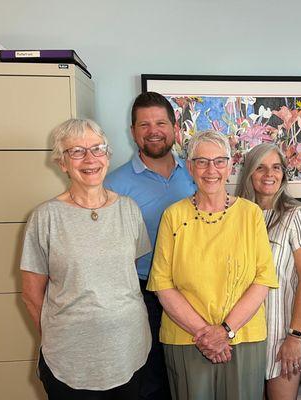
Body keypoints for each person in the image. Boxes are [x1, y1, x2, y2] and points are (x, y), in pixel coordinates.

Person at [20, 118, 152, 399]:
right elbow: (32, 295)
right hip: (69, 361)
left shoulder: (129, 210)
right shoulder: (46, 217)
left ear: (107, 155)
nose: (90, 158)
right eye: (76, 151)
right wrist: (60, 336)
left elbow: (125, 275)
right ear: (62, 163)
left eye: (97, 149)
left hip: (129, 351)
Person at [147, 130, 279, 399]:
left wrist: (225, 331)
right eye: (202, 161)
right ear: (190, 167)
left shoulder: (250, 214)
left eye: (219, 161)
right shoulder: (173, 216)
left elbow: (263, 278)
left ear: (230, 166)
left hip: (243, 337)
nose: (211, 170)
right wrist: (205, 334)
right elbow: (162, 284)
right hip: (186, 338)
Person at [105, 92, 195, 399]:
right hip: (143, 293)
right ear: (132, 132)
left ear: (174, 127)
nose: (152, 130)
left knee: (189, 374)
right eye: (144, 124)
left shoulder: (197, 173)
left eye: (160, 122)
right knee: (151, 379)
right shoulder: (114, 185)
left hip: (194, 291)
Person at [237, 143, 301, 400]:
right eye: (260, 167)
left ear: (284, 173)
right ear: (249, 172)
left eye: (275, 167)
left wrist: (295, 336)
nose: (268, 174)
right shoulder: (235, 216)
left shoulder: (296, 216)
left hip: (280, 334)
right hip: (241, 333)